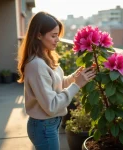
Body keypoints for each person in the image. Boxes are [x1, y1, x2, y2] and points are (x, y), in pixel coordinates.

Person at [17, 11, 96, 150]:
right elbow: (52, 106)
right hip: (44, 127)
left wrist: (74, 77)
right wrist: (77, 84)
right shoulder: (36, 65)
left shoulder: (44, 58)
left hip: (47, 125)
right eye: (53, 36)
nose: (57, 40)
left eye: (57, 35)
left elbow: (56, 85)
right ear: (38, 35)